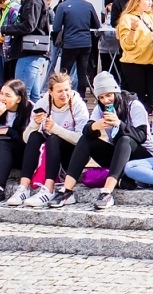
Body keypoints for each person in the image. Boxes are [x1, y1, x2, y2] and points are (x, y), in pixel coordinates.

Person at [73, 71, 153, 211]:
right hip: (119, 155)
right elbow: (86, 130)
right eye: (101, 97)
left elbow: (142, 136)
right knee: (87, 139)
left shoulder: (134, 105)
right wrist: (94, 126)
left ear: (116, 92)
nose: (106, 100)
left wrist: (120, 124)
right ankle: (67, 190)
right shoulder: (100, 109)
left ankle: (106, 192)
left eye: (109, 95)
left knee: (124, 139)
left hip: (143, 156)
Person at [12, 71, 93, 208]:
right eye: (59, 91)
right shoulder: (42, 103)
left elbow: (81, 139)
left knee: (53, 138)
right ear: (50, 92)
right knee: (35, 135)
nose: (64, 94)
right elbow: (26, 139)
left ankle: (49, 188)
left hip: (72, 154)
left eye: (67, 89)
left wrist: (56, 129)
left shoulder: (78, 105)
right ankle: (23, 187)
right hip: (50, 153)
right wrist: (35, 124)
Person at [115, 0, 153, 111]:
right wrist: (133, 30)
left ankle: (141, 118)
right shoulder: (127, 18)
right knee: (138, 100)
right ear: (137, 0)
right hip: (133, 63)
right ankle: (137, 120)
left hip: (150, 62)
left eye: (151, 0)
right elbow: (126, 45)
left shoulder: (149, 17)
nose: (150, 3)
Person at [54, 0, 101, 95]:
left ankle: (64, 95)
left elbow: (56, 27)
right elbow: (97, 25)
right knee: (82, 73)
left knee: (64, 73)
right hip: (86, 43)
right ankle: (81, 97)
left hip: (70, 44)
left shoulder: (62, 6)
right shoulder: (88, 5)